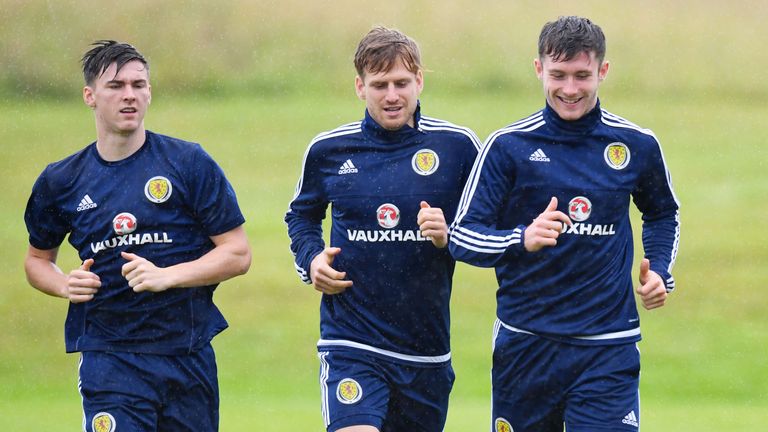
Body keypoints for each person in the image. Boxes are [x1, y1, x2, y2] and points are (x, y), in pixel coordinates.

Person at [449, 16, 681, 432]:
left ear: (602, 72)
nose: (570, 90)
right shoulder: (508, 147)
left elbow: (663, 212)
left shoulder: (635, 145)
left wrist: (660, 271)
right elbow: (462, 237)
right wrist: (523, 238)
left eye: (582, 76)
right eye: (558, 75)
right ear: (538, 69)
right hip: (526, 345)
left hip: (607, 347)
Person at [23, 40, 251, 432]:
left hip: (186, 355)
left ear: (149, 92)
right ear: (90, 96)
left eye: (138, 84)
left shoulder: (188, 163)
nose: (129, 95)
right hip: (109, 358)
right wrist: (64, 285)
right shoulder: (62, 180)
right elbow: (37, 260)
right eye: (116, 86)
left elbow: (237, 253)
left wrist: (168, 275)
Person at [285, 26, 481, 432]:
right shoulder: (329, 150)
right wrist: (311, 260)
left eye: (401, 83)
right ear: (360, 87)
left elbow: (487, 226)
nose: (392, 95)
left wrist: (449, 234)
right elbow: (301, 216)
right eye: (379, 85)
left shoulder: (457, 147)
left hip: (425, 351)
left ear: (420, 80)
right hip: (351, 341)